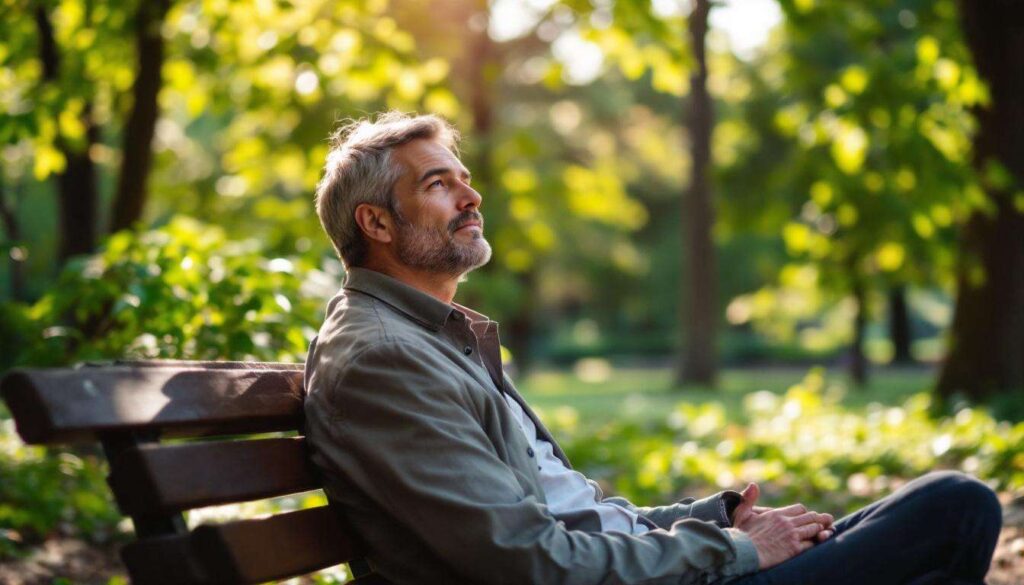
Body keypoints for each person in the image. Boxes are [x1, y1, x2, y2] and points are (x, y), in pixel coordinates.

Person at [303, 112, 1002, 585]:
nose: (472, 195)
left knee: (917, 518)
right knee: (956, 507)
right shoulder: (384, 359)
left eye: (462, 177)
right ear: (377, 223)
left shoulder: (434, 340)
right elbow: (526, 560)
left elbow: (578, 519)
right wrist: (731, 550)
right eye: (438, 183)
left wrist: (712, 518)